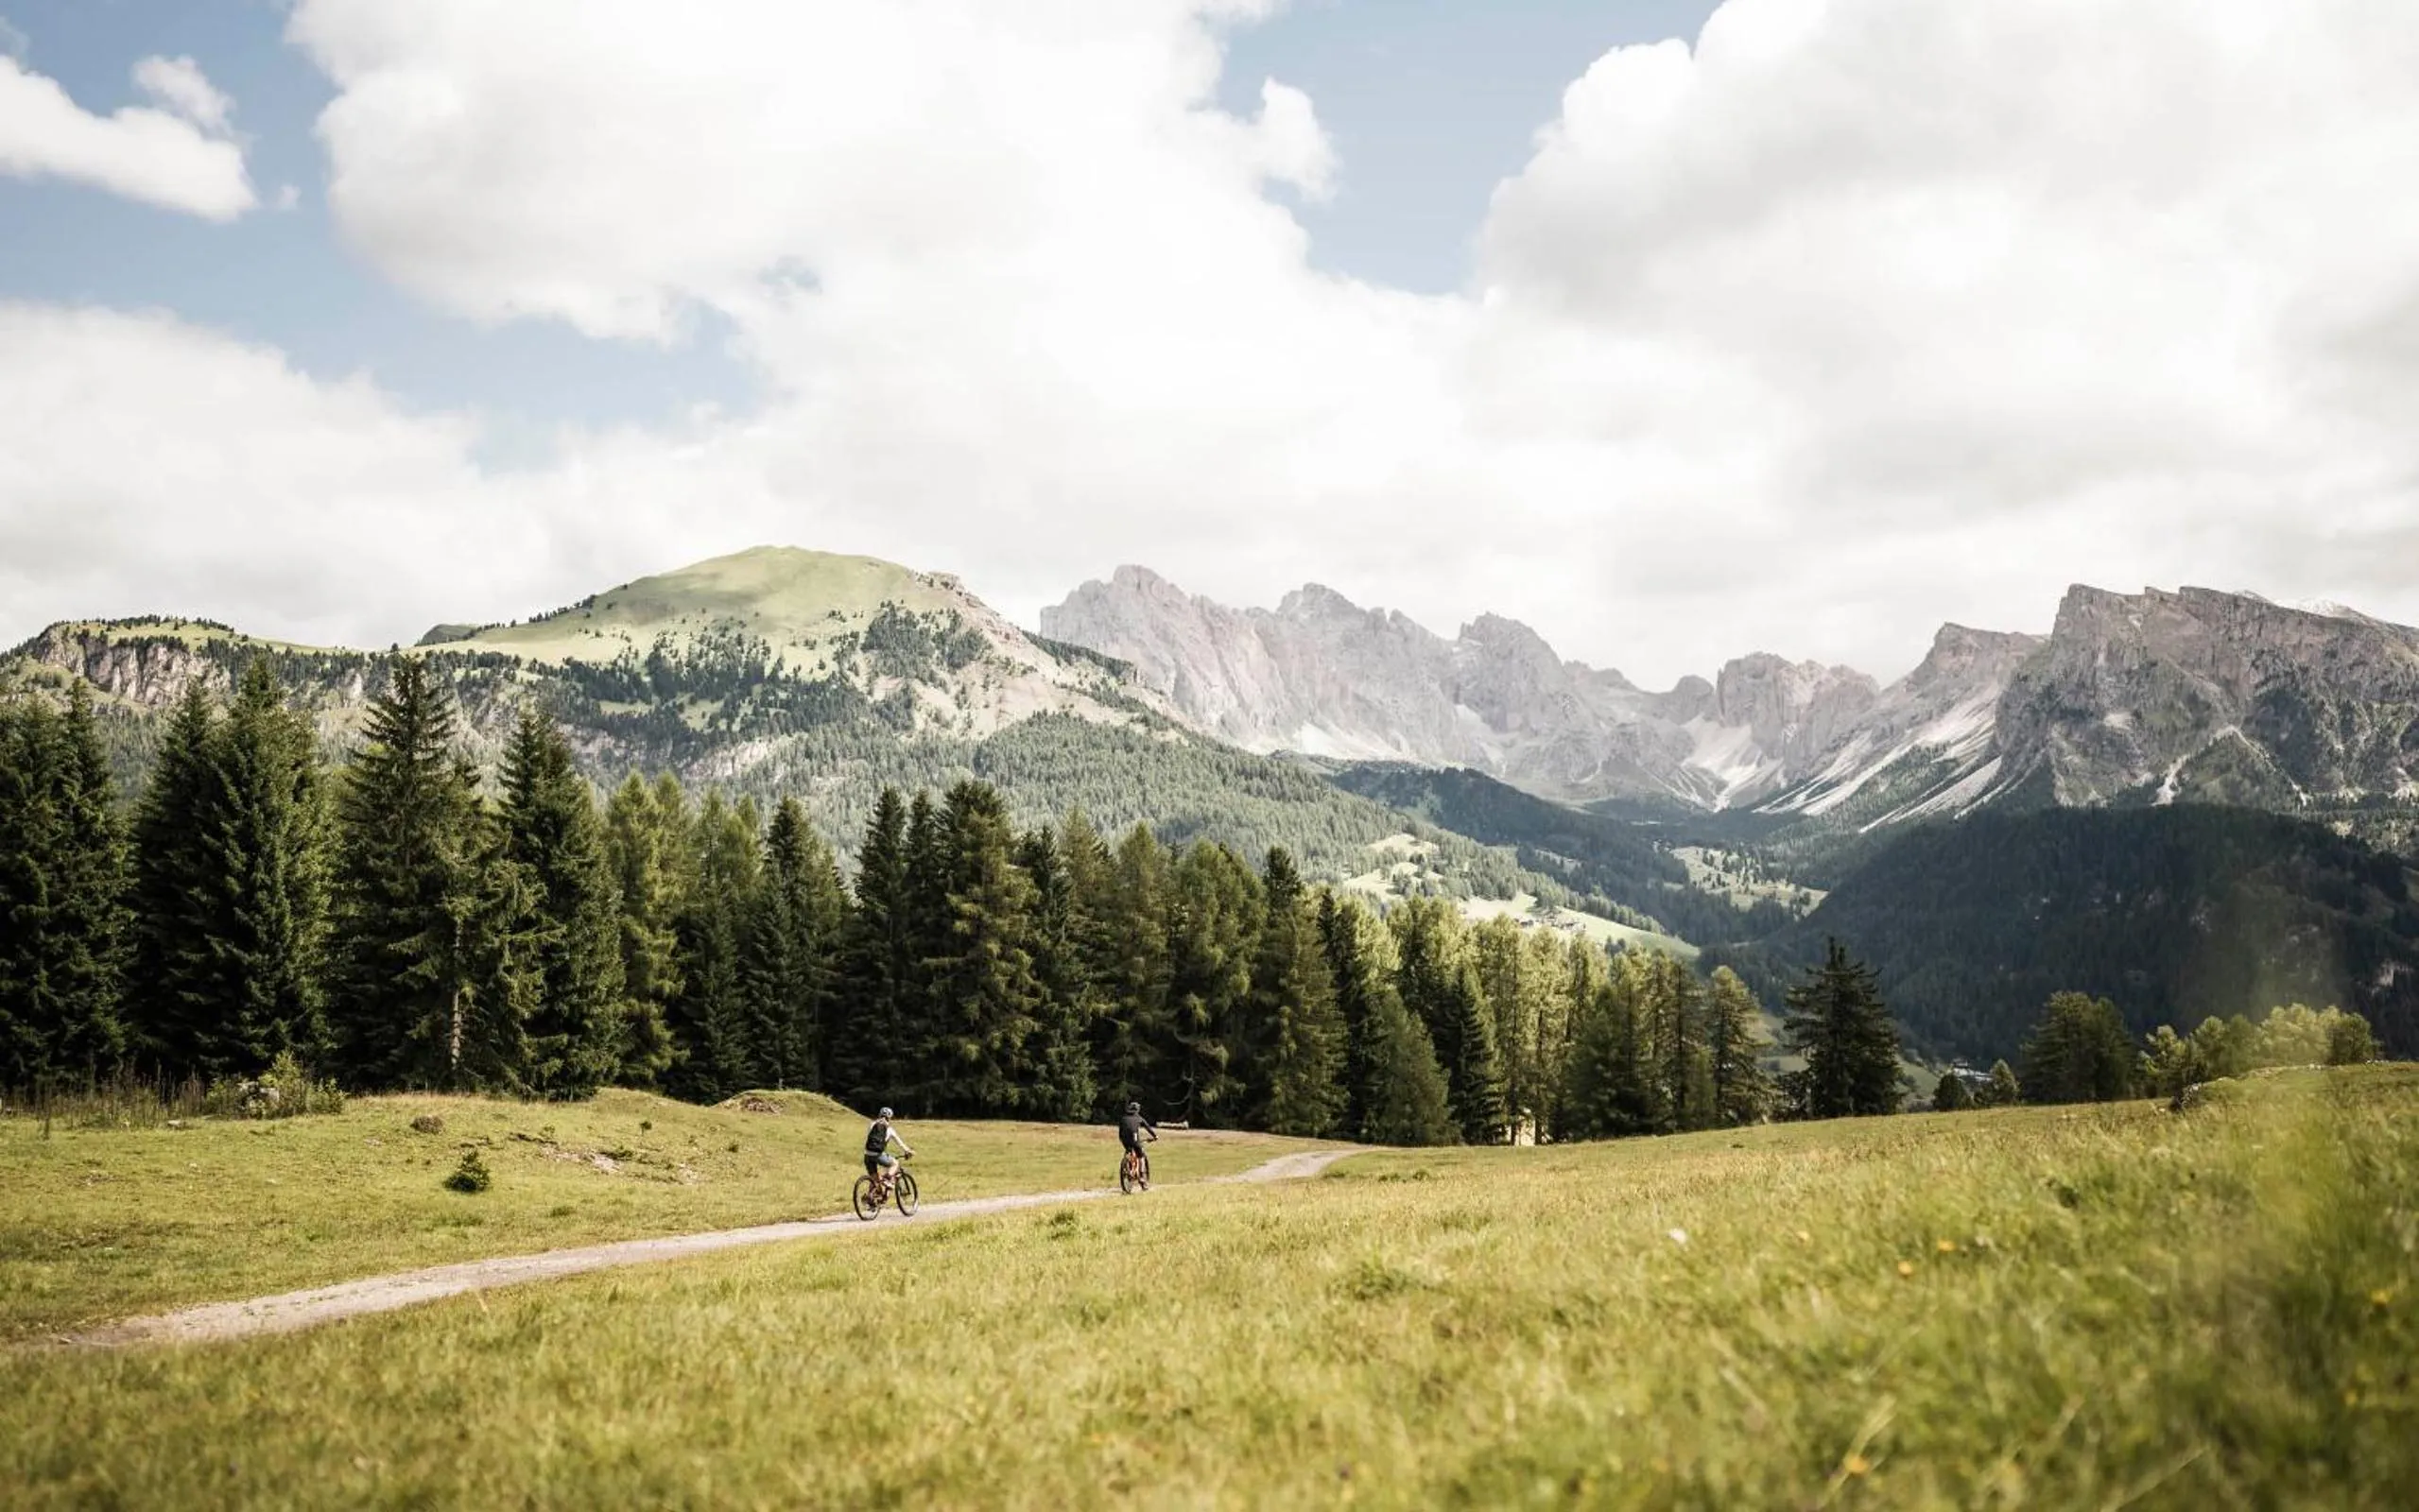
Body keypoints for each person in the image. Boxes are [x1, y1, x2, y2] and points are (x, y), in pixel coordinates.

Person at [864, 1107, 913, 1191]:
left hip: (867, 1154)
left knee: (875, 1179)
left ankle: (870, 1197)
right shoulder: (889, 1129)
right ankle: (887, 1180)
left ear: (879, 1115)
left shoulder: (872, 1124)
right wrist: (908, 1151)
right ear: (890, 1117)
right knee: (895, 1163)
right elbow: (899, 1143)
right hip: (878, 1155)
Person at [1117, 1100, 1157, 1180]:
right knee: (1141, 1155)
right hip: (1134, 1138)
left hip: (1124, 1139)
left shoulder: (1123, 1118)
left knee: (1129, 1151)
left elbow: (1121, 1130)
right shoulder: (1138, 1118)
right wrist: (1155, 1136)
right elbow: (1148, 1127)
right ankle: (1142, 1176)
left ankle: (1128, 1165)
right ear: (1137, 1110)